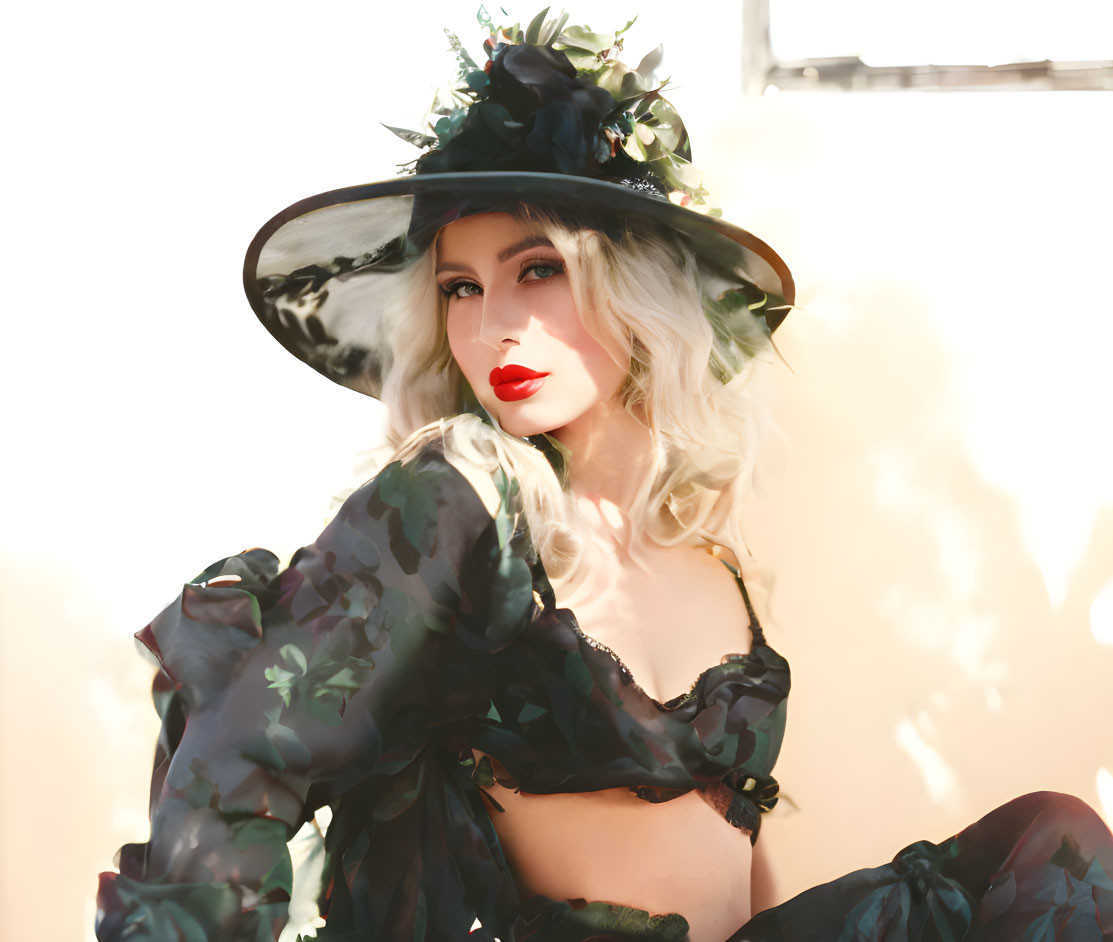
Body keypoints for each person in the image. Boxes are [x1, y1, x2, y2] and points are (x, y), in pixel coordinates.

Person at [96, 11, 1113, 941]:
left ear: (632, 282)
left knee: (1052, 844)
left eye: (538, 269)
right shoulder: (459, 499)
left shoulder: (704, 552)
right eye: (462, 286)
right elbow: (240, 756)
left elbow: (737, 863)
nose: (495, 325)